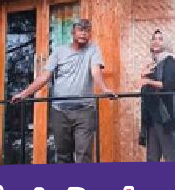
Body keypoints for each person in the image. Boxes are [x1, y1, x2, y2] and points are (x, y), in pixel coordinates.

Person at [11, 19, 115, 163]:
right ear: (73, 32)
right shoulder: (59, 51)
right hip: (59, 112)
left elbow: (95, 71)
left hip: (85, 111)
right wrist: (23, 94)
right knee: (63, 155)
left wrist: (104, 89)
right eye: (80, 30)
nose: (84, 33)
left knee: (84, 154)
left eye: (87, 31)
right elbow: (44, 77)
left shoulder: (93, 49)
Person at [138, 29, 175, 162]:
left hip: (165, 115)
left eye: (160, 39)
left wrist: (148, 81)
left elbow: (169, 85)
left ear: (166, 43)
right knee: (152, 157)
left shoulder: (169, 60)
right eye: (154, 38)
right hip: (152, 115)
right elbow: (145, 86)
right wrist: (143, 74)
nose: (156, 41)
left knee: (171, 156)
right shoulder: (153, 64)